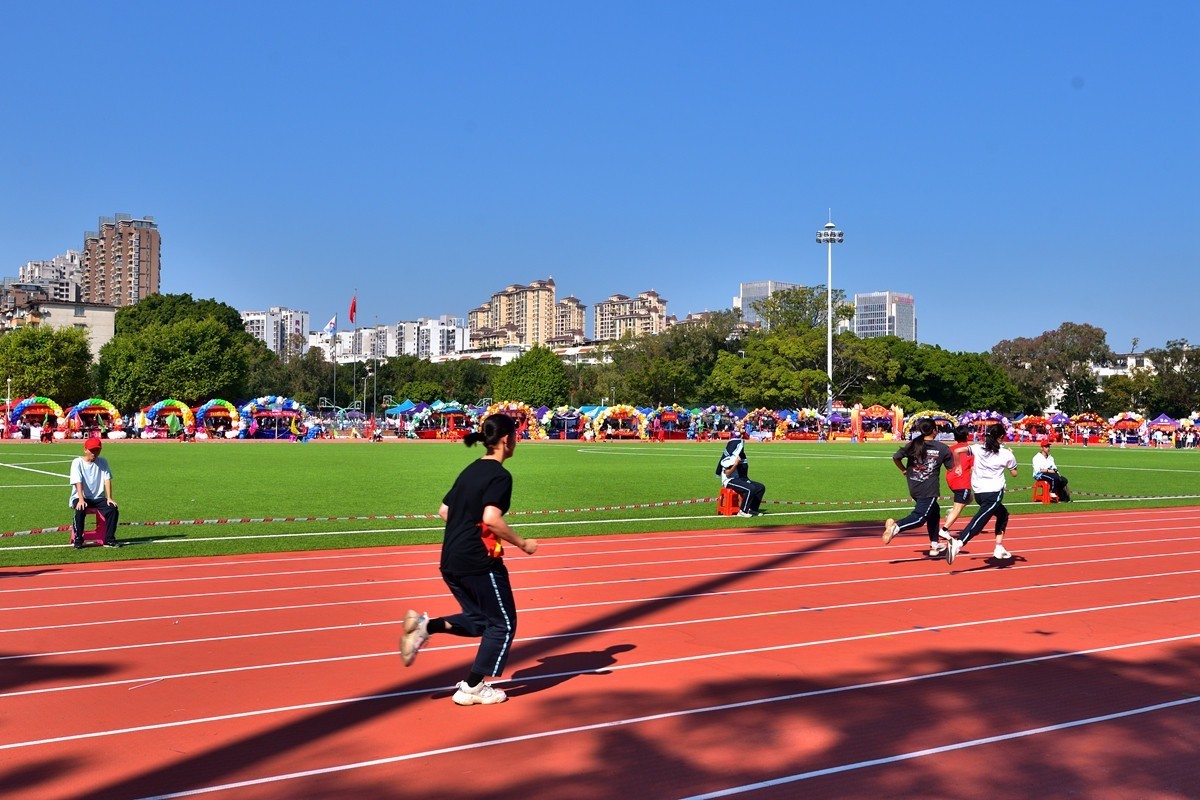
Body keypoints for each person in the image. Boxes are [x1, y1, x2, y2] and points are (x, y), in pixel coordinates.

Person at [399, 413, 538, 706]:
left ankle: (426, 627)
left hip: (451, 559)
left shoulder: (470, 470)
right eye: (517, 436)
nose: (517, 441)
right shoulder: (500, 476)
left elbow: (444, 511)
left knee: (479, 622)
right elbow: (491, 518)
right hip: (479, 561)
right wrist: (523, 543)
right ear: (506, 440)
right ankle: (473, 687)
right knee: (503, 625)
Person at [946, 423, 1018, 564]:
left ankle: (998, 547)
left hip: (979, 493)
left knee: (1003, 514)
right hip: (994, 493)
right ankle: (959, 543)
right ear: (1001, 437)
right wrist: (1011, 459)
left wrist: (958, 466)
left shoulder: (977, 448)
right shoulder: (1006, 454)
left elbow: (957, 451)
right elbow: (1014, 473)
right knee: (980, 520)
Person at [882, 418, 953, 553]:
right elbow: (951, 468)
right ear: (934, 430)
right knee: (920, 518)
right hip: (929, 489)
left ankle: (934, 544)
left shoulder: (913, 444)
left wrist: (904, 470)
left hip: (914, 486)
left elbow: (896, 457)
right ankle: (896, 527)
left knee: (934, 511)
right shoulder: (942, 448)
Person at [69, 437, 120, 549]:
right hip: (80, 496)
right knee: (80, 509)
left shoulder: (103, 461)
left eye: (97, 450)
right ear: (85, 450)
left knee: (112, 509)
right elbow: (78, 481)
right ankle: (78, 539)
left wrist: (109, 498)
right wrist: (81, 499)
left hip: (98, 497)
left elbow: (107, 479)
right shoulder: (77, 462)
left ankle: (109, 539)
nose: (95, 453)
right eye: (92, 450)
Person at [939, 425, 975, 552]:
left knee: (969, 498)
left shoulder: (951, 449)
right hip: (961, 481)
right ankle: (944, 530)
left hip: (950, 479)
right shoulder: (970, 450)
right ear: (967, 436)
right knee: (959, 507)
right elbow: (972, 468)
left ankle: (951, 512)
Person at [716, 437, 766, 518]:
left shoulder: (740, 456)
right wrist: (735, 464)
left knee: (760, 487)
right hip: (729, 480)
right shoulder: (729, 458)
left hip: (739, 479)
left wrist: (746, 480)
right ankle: (742, 511)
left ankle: (752, 509)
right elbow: (727, 473)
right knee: (750, 489)